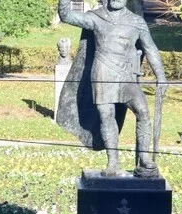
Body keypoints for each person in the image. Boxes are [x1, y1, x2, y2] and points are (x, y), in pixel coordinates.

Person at [57, 0, 168, 177]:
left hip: (126, 76)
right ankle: (113, 163)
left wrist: (161, 76)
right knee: (106, 116)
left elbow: (150, 48)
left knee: (143, 113)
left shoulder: (136, 21)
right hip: (102, 74)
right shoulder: (96, 17)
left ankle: (144, 159)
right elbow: (67, 15)